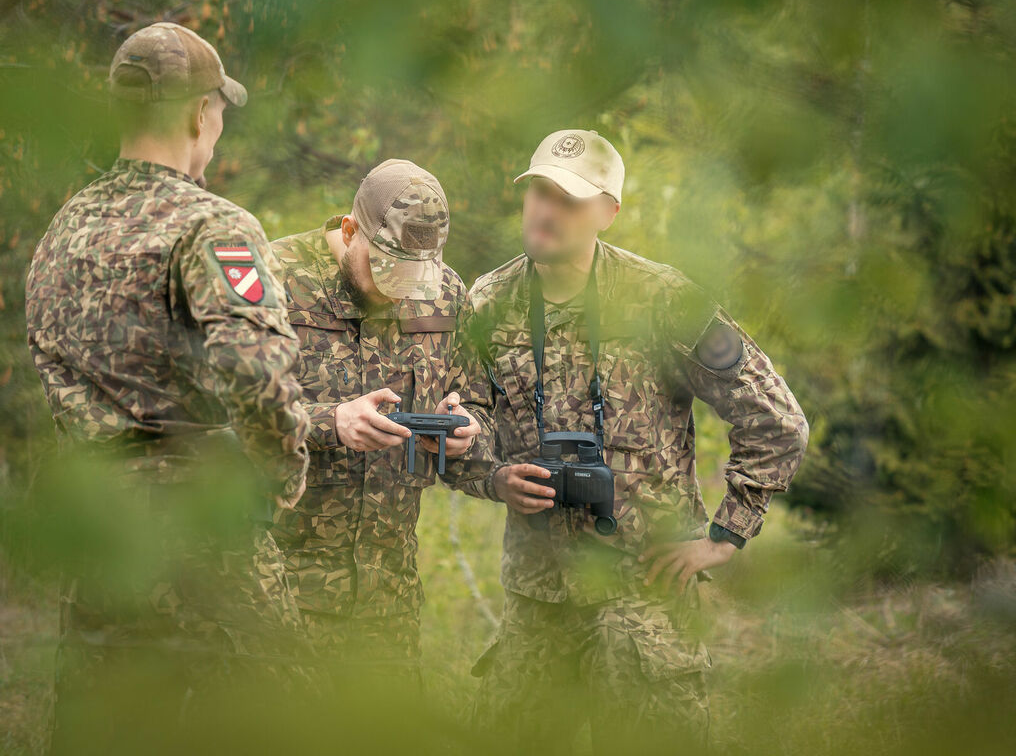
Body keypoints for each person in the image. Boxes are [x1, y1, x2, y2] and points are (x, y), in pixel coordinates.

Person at [466, 129, 809, 752]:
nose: (545, 210)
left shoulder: (663, 301)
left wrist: (726, 536)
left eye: (567, 199)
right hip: (536, 600)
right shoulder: (488, 303)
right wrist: (493, 477)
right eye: (539, 191)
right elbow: (464, 428)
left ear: (607, 212)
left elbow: (778, 420)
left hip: (645, 597)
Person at [25, 22, 311, 753]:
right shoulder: (212, 225)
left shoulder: (65, 229)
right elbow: (253, 367)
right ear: (198, 114)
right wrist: (282, 469)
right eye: (219, 113)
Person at [269, 158, 492, 693]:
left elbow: (479, 397)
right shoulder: (271, 280)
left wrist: (467, 427)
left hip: (387, 602)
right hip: (278, 600)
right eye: (386, 269)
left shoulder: (445, 294)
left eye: (413, 276)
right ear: (350, 231)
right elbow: (214, 416)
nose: (398, 291)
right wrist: (327, 421)